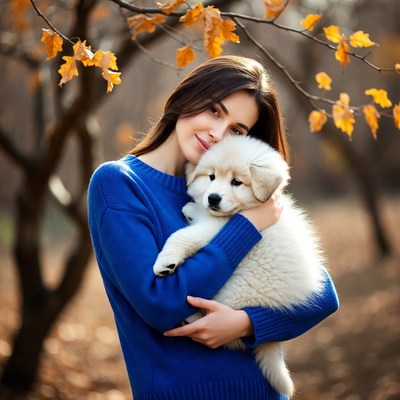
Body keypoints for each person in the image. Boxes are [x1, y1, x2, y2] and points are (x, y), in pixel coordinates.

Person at [87, 55, 339, 400]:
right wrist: (246, 228)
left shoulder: (239, 190)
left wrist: (246, 323)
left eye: (237, 130)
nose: (218, 134)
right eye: (215, 111)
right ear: (186, 97)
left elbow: (323, 296)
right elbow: (159, 304)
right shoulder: (118, 184)